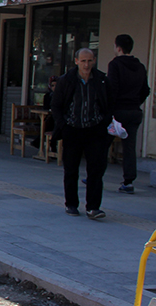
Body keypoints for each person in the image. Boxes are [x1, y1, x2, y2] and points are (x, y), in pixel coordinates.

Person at [51, 48, 111, 219]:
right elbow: (56, 106)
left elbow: (109, 104)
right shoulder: (66, 81)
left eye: (89, 61)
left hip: (95, 130)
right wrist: (63, 125)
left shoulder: (101, 80)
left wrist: (104, 123)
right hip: (73, 129)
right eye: (83, 61)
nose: (86, 64)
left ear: (94, 61)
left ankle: (93, 207)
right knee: (71, 169)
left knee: (96, 170)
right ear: (76, 61)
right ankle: (71, 204)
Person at [107, 34, 150, 194]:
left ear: (118, 47)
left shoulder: (115, 65)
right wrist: (136, 102)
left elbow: (112, 89)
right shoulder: (140, 66)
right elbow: (145, 90)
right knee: (129, 147)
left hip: (117, 111)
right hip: (134, 111)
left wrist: (109, 109)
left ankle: (94, 175)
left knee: (102, 143)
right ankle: (129, 181)